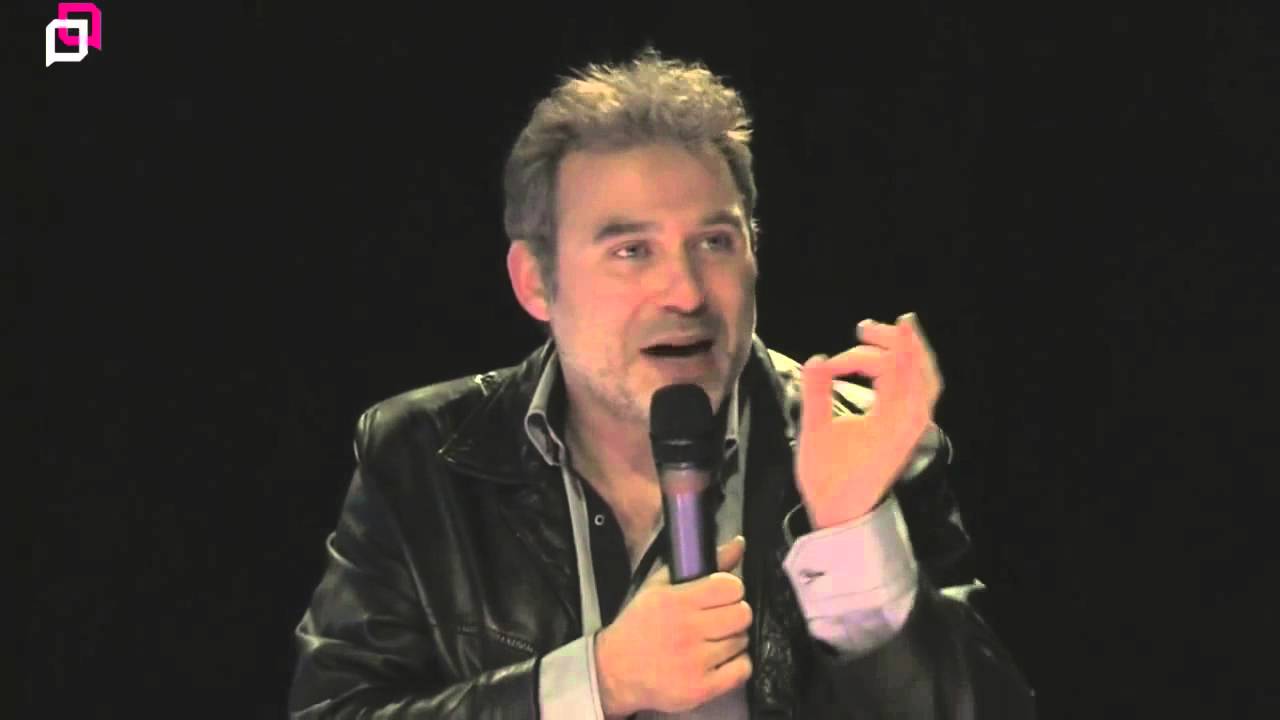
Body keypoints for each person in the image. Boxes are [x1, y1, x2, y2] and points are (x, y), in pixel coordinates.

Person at [288, 47, 1036, 719]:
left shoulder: (868, 446)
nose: (685, 291)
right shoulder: (419, 457)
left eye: (714, 241)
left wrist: (850, 534)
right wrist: (598, 683)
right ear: (535, 281)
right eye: (632, 250)